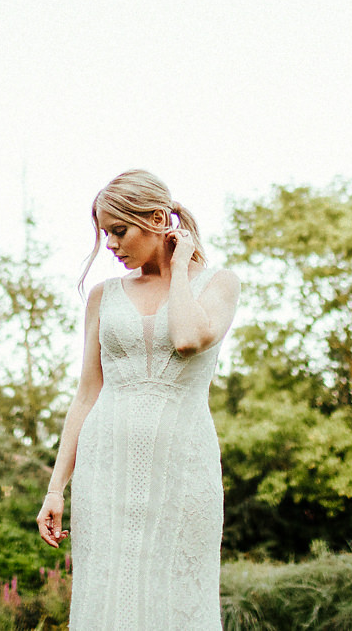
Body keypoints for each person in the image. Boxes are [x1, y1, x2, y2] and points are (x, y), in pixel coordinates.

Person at [36, 170, 241, 630]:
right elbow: (86, 395)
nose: (110, 244)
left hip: (184, 466)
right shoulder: (102, 297)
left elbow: (188, 338)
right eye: (105, 233)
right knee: (108, 593)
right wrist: (55, 488)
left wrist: (182, 263)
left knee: (177, 594)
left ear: (156, 219)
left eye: (119, 230)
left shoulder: (219, 285)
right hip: (104, 469)